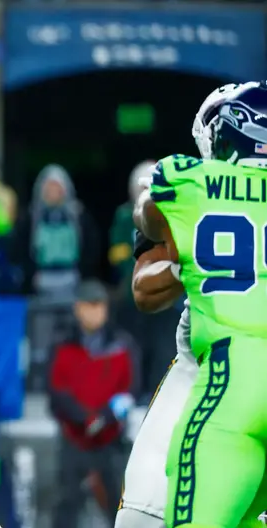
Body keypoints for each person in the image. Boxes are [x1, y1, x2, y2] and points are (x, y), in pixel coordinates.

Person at [114, 82, 264, 528]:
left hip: (231, 372)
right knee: (143, 516)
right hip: (208, 362)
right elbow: (143, 289)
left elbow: (148, 209)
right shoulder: (195, 187)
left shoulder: (182, 180)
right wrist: (191, 263)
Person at [48, 280, 138, 528]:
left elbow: (130, 390)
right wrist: (84, 418)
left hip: (110, 440)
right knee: (67, 505)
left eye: (100, 306)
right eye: (89, 305)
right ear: (78, 309)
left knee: (120, 507)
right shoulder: (64, 346)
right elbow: (57, 392)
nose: (95, 311)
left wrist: (106, 417)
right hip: (74, 439)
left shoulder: (122, 345)